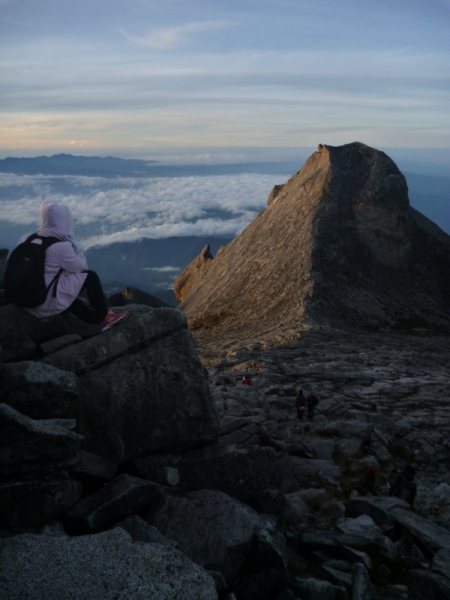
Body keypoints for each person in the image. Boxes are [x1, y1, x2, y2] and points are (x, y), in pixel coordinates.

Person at [15, 203, 128, 331]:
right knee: (91, 277)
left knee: (74, 303)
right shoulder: (60, 246)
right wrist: (75, 245)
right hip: (43, 302)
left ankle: (98, 321)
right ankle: (105, 317)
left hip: (26, 300)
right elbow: (81, 268)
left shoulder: (25, 239)